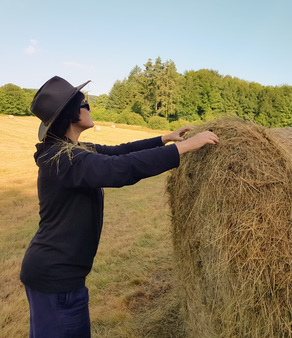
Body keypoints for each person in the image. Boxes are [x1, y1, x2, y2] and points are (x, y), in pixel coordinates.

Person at [20, 76, 219, 337]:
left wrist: (164, 138)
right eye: (85, 103)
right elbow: (119, 169)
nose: (89, 107)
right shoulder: (63, 159)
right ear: (71, 113)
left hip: (55, 275)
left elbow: (119, 152)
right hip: (56, 279)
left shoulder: (71, 150)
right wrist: (185, 148)